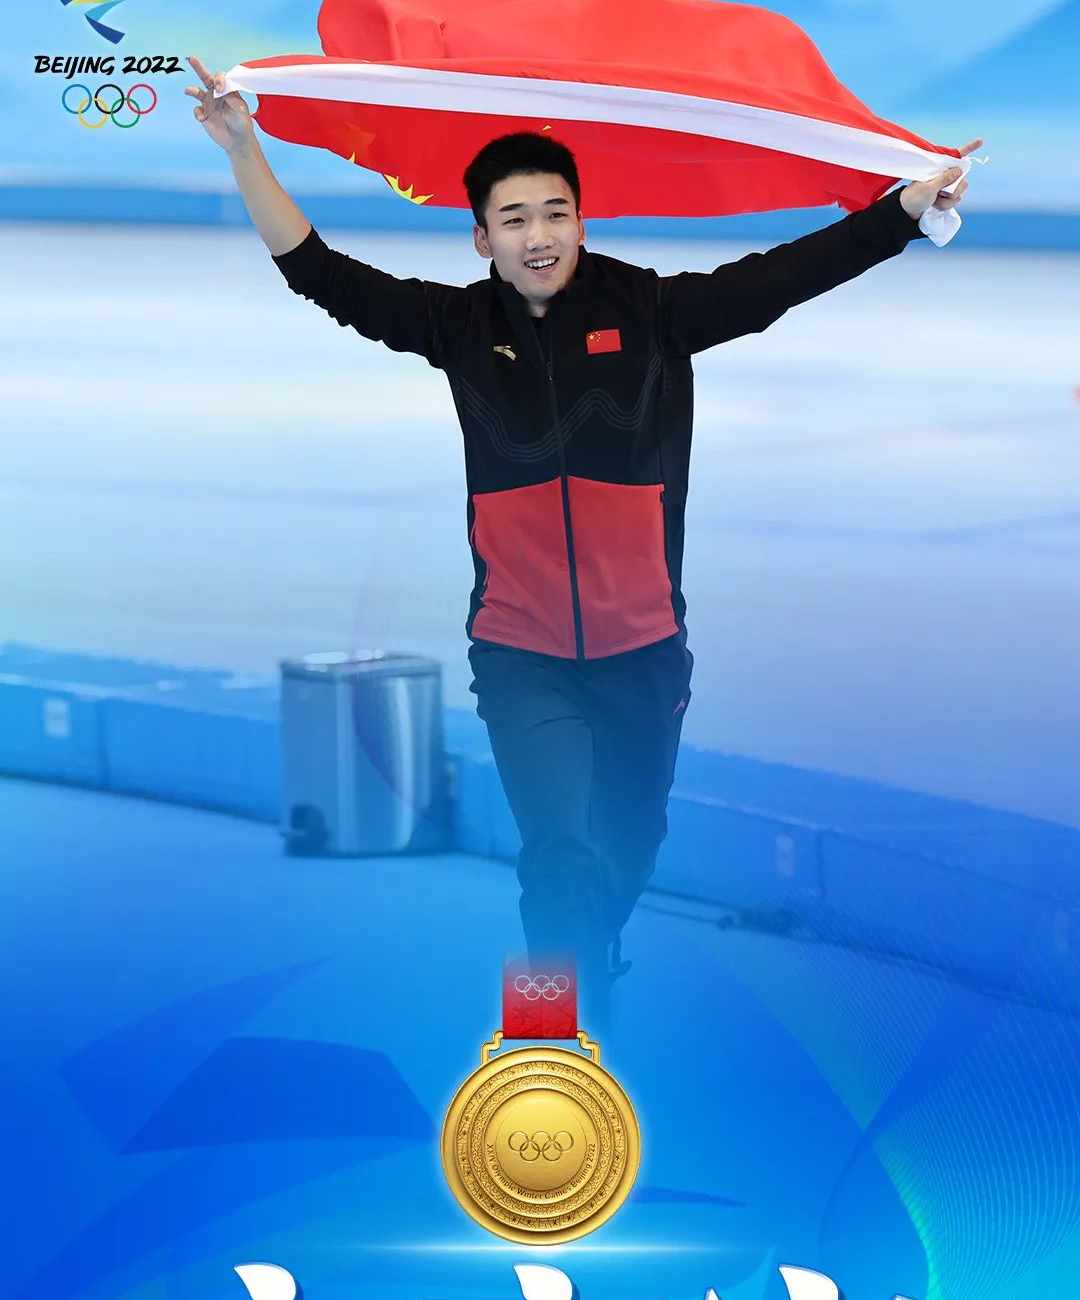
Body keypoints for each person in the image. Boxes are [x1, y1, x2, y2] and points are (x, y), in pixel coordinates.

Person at [186, 55, 979, 1032]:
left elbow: (784, 277)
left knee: (629, 849)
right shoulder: (455, 324)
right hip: (520, 652)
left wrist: (903, 212)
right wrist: (245, 150)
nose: (539, 235)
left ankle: (589, 963)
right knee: (557, 857)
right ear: (482, 237)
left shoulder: (651, 311)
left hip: (644, 652)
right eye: (515, 219)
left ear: (581, 221)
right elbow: (317, 272)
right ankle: (548, 1045)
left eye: (555, 213)